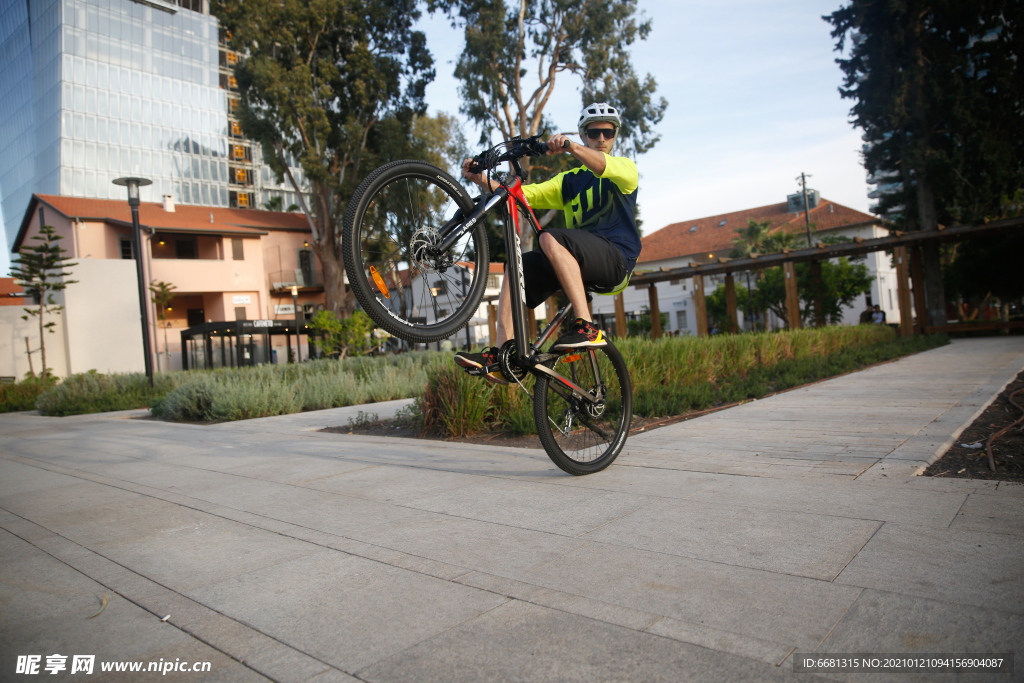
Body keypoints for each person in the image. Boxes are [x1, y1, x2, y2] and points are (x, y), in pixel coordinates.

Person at [454, 103, 641, 384]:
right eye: (593, 133)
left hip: (616, 259)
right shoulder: (569, 181)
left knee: (549, 237)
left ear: (615, 136)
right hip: (578, 259)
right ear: (585, 133)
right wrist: (480, 179)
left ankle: (587, 326)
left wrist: (571, 147)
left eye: (607, 132)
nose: (601, 139)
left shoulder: (625, 169)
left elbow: (602, 165)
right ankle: (504, 355)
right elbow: (522, 195)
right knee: (514, 266)